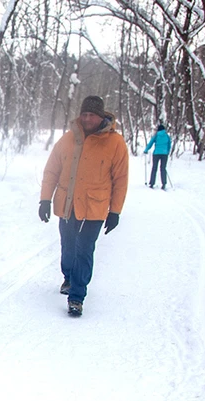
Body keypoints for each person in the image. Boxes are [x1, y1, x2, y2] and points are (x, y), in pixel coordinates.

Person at [39, 95, 129, 317]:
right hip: (67, 204)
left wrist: (115, 211)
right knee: (68, 246)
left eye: (92, 115)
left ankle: (77, 296)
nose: (88, 118)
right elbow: (52, 170)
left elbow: (121, 179)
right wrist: (45, 199)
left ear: (101, 117)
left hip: (95, 208)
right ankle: (69, 277)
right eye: (85, 114)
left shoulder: (115, 143)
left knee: (85, 249)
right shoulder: (68, 139)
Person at [144, 123, 171, 189]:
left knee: (154, 168)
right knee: (163, 168)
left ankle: (152, 183)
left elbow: (150, 143)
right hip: (164, 154)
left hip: (156, 154)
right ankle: (164, 183)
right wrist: (167, 151)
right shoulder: (167, 136)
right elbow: (169, 145)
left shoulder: (156, 136)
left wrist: (146, 150)